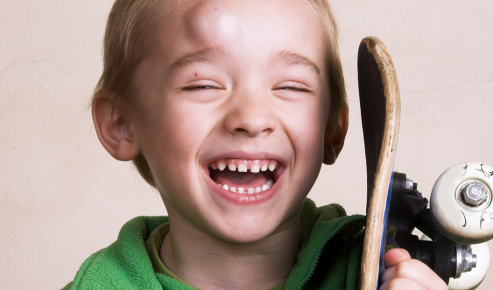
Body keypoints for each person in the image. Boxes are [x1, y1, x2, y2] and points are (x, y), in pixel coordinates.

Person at [63, 0, 448, 289]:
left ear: (332, 129)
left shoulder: (392, 275)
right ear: (122, 124)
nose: (251, 118)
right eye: (203, 84)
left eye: (291, 86)